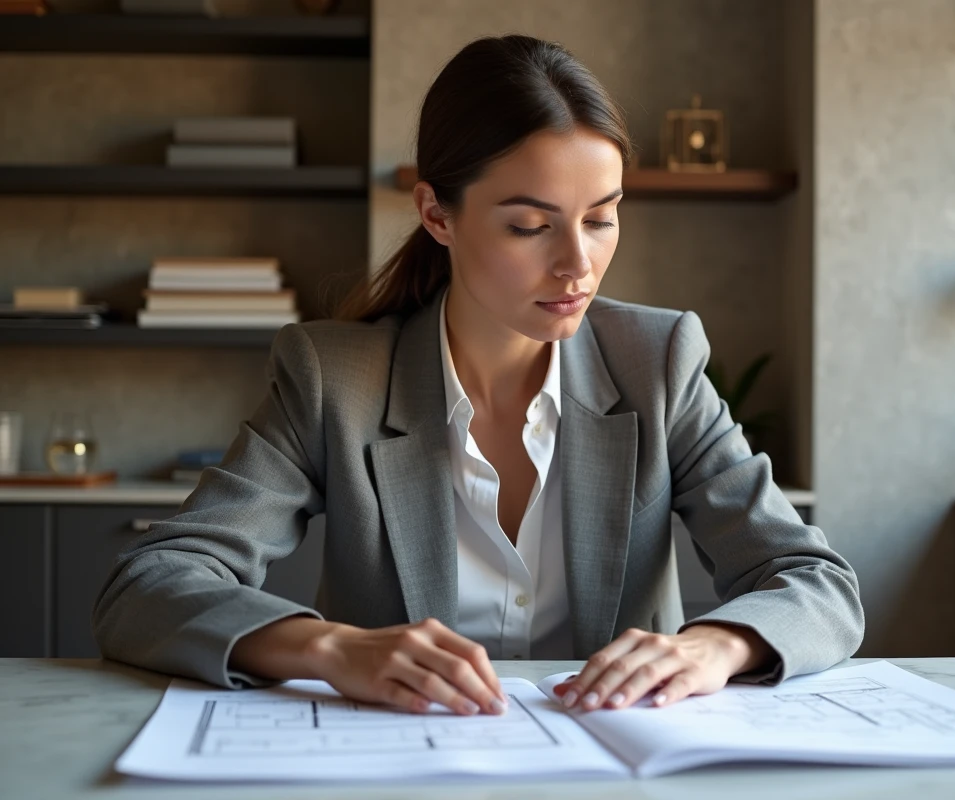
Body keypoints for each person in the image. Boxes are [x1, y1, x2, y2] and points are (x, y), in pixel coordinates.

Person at [92, 33, 864, 719]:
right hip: (403, 768)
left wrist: (716, 647)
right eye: (530, 226)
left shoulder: (657, 363)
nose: (578, 263)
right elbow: (151, 583)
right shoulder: (337, 379)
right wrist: (327, 651)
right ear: (437, 215)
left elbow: (816, 582)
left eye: (601, 217)